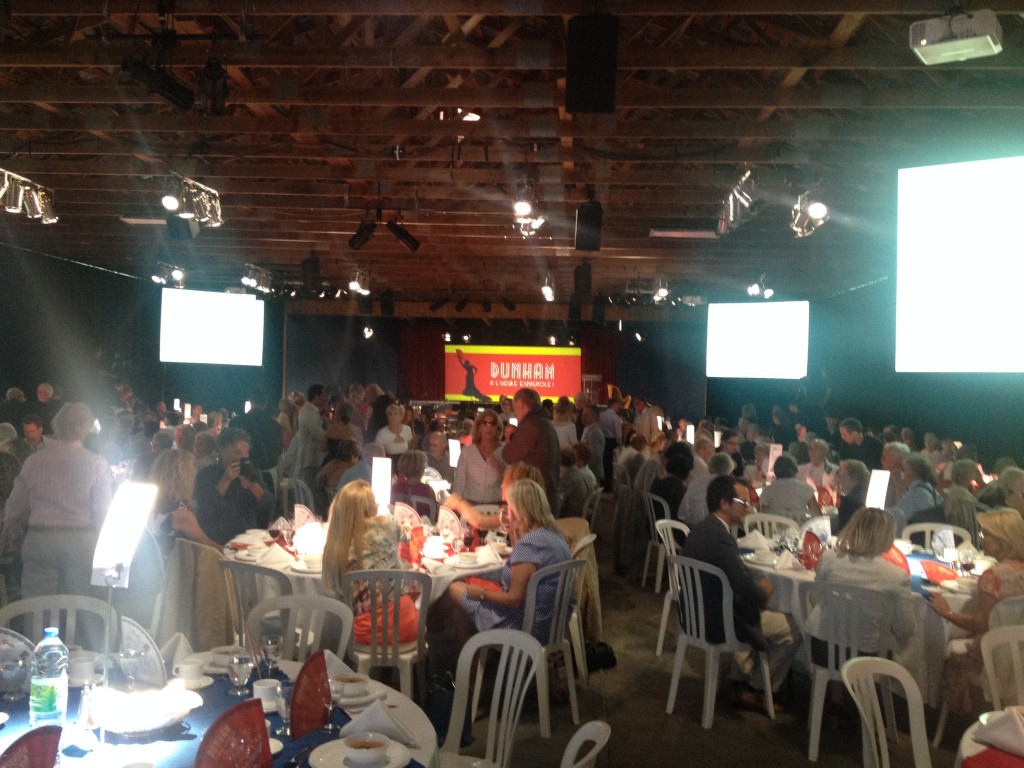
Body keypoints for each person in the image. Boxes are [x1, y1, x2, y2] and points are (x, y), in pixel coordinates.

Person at [681, 474, 801, 713]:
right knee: (793, 627)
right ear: (725, 503)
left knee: (759, 610)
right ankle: (756, 689)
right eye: (743, 502)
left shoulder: (703, 529)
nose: (749, 508)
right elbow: (748, 591)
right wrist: (764, 590)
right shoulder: (721, 539)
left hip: (695, 614)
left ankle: (740, 680)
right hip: (718, 621)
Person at [4, 403, 112, 599]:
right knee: (83, 606)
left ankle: (40, 630)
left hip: (40, 539)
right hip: (81, 541)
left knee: (39, 610)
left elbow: (13, 509)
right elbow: (103, 513)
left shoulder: (34, 461)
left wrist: (16, 534)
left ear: (57, 426)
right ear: (85, 428)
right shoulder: (96, 463)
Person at [449, 478, 571, 643]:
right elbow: (519, 559)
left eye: (510, 506)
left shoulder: (530, 544)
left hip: (523, 625)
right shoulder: (554, 534)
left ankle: (472, 659)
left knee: (454, 588)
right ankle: (481, 655)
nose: (506, 510)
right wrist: (513, 529)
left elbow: (514, 600)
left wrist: (483, 593)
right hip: (551, 622)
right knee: (466, 595)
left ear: (520, 510)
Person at [928, 509, 1024, 714]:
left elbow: (980, 624)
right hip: (1020, 656)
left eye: (986, 535)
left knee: (945, 648)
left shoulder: (993, 577)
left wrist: (946, 612)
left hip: (991, 657)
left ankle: (949, 715)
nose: (982, 539)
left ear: (1003, 540)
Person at [805, 506, 916, 669]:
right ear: (887, 538)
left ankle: (836, 693)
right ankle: (867, 692)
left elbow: (815, 599)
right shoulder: (895, 575)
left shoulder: (829, 559)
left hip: (824, 648)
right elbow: (906, 629)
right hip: (868, 656)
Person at [321, 481, 417, 643]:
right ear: (368, 507)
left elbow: (336, 590)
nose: (377, 504)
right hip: (405, 625)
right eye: (374, 501)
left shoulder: (336, 546)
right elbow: (407, 536)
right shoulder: (387, 524)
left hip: (364, 631)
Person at [188, 427, 275, 546]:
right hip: (218, 540)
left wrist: (254, 486)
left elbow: (270, 507)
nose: (243, 458)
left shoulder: (251, 474)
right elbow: (205, 511)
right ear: (222, 452)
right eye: (237, 453)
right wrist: (225, 480)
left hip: (250, 539)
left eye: (246, 453)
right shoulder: (207, 475)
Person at [501, 388, 559, 512]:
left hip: (535, 497)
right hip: (546, 491)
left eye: (515, 408)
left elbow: (509, 455)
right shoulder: (545, 423)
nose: (515, 413)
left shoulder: (531, 425)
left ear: (522, 403)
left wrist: (509, 438)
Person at [230, 388, 284, 491]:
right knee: (267, 503)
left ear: (250, 401)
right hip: (268, 470)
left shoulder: (236, 422)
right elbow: (278, 450)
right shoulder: (275, 425)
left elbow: (230, 447)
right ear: (266, 402)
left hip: (242, 471)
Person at [452, 409, 504, 504]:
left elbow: (512, 482)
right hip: (470, 504)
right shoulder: (467, 451)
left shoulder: (504, 451)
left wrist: (499, 468)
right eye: (485, 423)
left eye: (493, 423)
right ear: (479, 427)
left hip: (496, 504)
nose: (489, 426)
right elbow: (459, 481)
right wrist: (456, 504)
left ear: (498, 428)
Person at [758, 453, 819, 523]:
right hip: (800, 531)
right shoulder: (805, 488)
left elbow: (763, 517)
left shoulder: (767, 490)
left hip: (775, 532)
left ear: (775, 471)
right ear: (795, 470)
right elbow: (817, 515)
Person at [288, 383, 327, 486]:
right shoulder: (308, 413)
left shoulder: (313, 412)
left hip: (314, 458)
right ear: (317, 397)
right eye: (324, 395)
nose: (326, 398)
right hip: (309, 460)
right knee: (310, 490)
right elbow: (321, 435)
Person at [391, 450, 435, 519]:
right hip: (424, 527)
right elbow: (434, 513)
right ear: (421, 469)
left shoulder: (395, 488)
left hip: (400, 525)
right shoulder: (428, 490)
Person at [558, 446, 596, 518]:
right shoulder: (587, 477)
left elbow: (557, 506)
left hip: (570, 519)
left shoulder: (566, 479)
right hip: (582, 517)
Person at [833, 459, 869, 534]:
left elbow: (843, 531)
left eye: (842, 476)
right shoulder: (869, 494)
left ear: (854, 479)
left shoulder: (848, 502)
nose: (839, 480)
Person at [598, 397, 623, 492]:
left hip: (602, 440)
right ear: (614, 405)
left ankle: (602, 484)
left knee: (603, 462)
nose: (619, 407)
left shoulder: (601, 415)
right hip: (611, 442)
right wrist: (619, 444)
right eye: (618, 405)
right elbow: (618, 433)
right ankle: (608, 486)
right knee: (609, 464)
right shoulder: (615, 417)